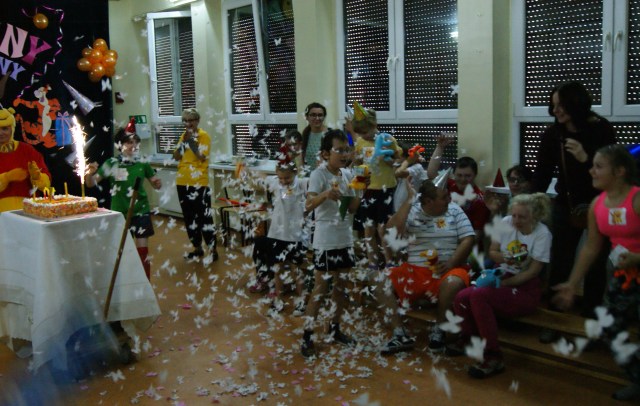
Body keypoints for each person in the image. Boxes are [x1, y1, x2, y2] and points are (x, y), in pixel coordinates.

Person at [552, 145, 640, 401]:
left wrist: (637, 258)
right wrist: (571, 284)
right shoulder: (597, 205)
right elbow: (591, 248)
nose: (591, 170)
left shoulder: (637, 199)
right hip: (624, 278)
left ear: (620, 171)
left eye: (599, 166)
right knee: (611, 328)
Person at [532, 81, 616, 322]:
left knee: (596, 264)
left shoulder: (601, 129)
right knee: (561, 261)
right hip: (566, 205)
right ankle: (554, 317)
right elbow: (542, 173)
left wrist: (584, 158)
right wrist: (528, 200)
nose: (555, 110)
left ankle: (592, 317)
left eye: (561, 105)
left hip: (599, 205)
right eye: (553, 105)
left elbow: (611, 172)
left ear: (576, 104)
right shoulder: (553, 134)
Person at [452, 193, 552, 378]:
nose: (516, 220)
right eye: (514, 215)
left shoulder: (543, 234)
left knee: (479, 296)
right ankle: (469, 339)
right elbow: (492, 251)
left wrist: (502, 284)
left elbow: (532, 272)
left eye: (522, 217)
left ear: (534, 216)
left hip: (525, 287)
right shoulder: (506, 222)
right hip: (500, 274)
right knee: (461, 297)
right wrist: (504, 259)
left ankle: (493, 356)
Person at [377, 176, 475, 355]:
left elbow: (468, 239)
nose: (449, 199)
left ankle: (439, 330)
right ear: (429, 201)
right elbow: (390, 233)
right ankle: (399, 334)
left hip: (448, 271)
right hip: (415, 272)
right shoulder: (412, 210)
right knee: (379, 278)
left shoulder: (455, 210)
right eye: (444, 197)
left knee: (453, 282)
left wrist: (452, 262)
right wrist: (409, 200)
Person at [301, 129, 362, 357]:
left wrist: (360, 187)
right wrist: (326, 194)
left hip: (344, 237)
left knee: (341, 288)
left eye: (347, 150)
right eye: (339, 150)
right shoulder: (319, 174)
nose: (345, 155)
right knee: (320, 289)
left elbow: (352, 209)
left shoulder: (347, 174)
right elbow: (308, 205)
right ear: (326, 153)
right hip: (326, 239)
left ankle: (334, 329)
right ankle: (307, 336)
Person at [85, 119, 162, 280]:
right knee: (122, 251)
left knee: (142, 251)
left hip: (140, 210)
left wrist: (157, 183)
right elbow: (91, 183)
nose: (133, 146)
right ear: (120, 145)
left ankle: (144, 282)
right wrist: (89, 173)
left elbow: (155, 182)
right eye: (129, 142)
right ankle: (125, 281)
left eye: (135, 142)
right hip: (119, 212)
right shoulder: (111, 163)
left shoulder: (142, 163)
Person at [351, 104, 402, 271]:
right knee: (368, 228)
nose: (363, 135)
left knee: (383, 228)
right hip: (368, 189)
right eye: (360, 133)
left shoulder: (387, 139)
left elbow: (397, 159)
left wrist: (389, 159)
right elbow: (358, 163)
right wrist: (357, 166)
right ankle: (372, 261)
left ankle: (389, 261)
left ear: (374, 125)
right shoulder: (360, 142)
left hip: (386, 189)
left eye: (365, 131)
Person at [260, 157, 309, 316]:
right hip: (276, 234)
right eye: (280, 178)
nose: (283, 181)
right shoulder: (275, 182)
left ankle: (301, 302)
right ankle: (278, 301)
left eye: (287, 178)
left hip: (295, 236)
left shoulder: (302, 183)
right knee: (278, 270)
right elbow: (258, 178)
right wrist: (243, 169)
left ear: (295, 173)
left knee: (296, 270)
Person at [427, 134, 491, 248]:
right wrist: (440, 147)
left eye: (467, 176)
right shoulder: (449, 185)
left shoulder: (479, 199)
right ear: (454, 174)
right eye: (459, 175)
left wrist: (457, 249)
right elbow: (431, 174)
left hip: (464, 246)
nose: (462, 179)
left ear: (475, 175)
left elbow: (477, 233)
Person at [172, 108, 218, 261]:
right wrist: (183, 143)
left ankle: (213, 250)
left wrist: (190, 141)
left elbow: (201, 157)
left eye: (191, 120)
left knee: (204, 217)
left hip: (199, 182)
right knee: (189, 217)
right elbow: (176, 157)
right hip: (182, 181)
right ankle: (197, 248)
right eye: (185, 121)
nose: (188, 123)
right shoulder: (183, 136)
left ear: (197, 121)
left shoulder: (204, 136)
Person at [0, 107, 50, 212]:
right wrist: (7, 177)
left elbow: (46, 185)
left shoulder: (27, 150)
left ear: (12, 129)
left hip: (28, 211)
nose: (1, 133)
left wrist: (37, 177)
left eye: (5, 129)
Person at [301, 102, 328, 171]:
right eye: (313, 115)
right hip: (308, 176)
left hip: (325, 175)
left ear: (324, 117)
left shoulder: (330, 134)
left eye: (320, 115)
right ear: (307, 117)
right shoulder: (305, 135)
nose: (317, 118)